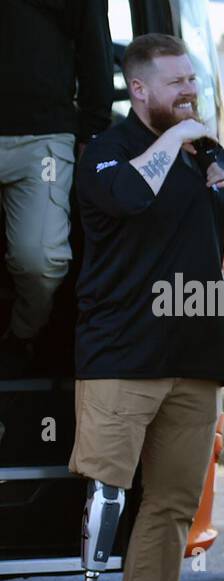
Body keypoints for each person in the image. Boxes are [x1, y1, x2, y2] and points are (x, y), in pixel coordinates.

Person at [54, 34, 224, 581]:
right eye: (175, 83)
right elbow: (130, 196)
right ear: (141, 90)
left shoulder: (211, 158)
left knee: (174, 501)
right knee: (108, 491)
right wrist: (176, 139)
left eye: (193, 80)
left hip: (198, 357)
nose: (190, 91)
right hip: (121, 356)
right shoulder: (106, 152)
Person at [0, 0, 113, 375]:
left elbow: (95, 47)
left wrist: (93, 129)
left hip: (44, 140)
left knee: (41, 260)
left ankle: (20, 337)